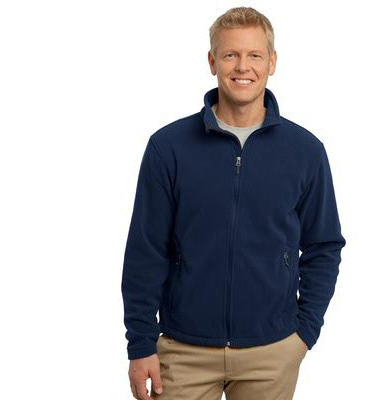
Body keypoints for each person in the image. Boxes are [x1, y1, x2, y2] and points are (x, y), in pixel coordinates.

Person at [121, 6, 346, 400]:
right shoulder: (168, 148)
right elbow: (146, 249)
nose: (243, 67)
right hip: (184, 350)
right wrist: (140, 343)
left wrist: (305, 332)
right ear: (212, 62)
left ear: (272, 62)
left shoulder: (305, 152)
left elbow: (324, 245)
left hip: (271, 351)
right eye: (230, 55)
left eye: (255, 55)